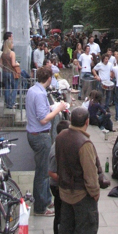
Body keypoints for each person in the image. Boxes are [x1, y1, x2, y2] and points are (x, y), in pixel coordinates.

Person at [55, 107, 102, 234]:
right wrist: (95, 192)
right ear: (87, 122)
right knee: (87, 228)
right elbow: (90, 173)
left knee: (67, 224)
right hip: (81, 193)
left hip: (64, 189)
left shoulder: (61, 136)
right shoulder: (84, 143)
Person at [26, 66, 67, 217]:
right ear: (49, 79)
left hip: (32, 132)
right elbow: (43, 119)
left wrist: (50, 107)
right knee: (42, 172)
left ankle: (46, 198)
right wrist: (59, 109)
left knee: (42, 169)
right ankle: (40, 207)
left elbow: (38, 110)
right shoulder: (40, 94)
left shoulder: (32, 90)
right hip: (40, 135)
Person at [48, 119, 71, 234]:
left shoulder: (61, 144)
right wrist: (65, 179)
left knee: (62, 212)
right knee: (60, 213)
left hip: (60, 184)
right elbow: (51, 172)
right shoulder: (56, 150)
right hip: (57, 186)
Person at [0, 39, 20, 108]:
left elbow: (0, 64)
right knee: (14, 88)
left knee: (7, 88)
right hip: (11, 72)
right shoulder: (12, 53)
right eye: (12, 43)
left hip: (5, 72)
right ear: (9, 45)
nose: (13, 45)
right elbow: (13, 64)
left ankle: (7, 103)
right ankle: (11, 103)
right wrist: (17, 64)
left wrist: (5, 68)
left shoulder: (2, 54)